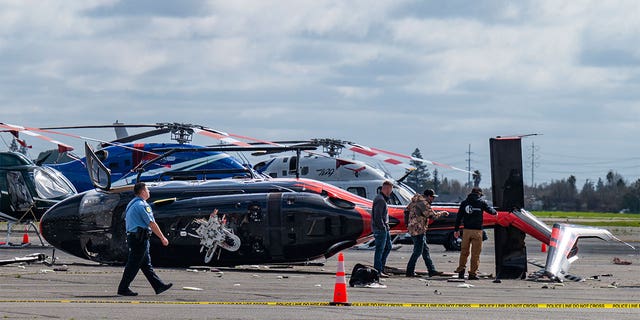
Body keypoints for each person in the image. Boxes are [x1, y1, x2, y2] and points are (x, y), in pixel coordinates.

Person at [117, 182, 173, 296]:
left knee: (146, 264)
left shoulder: (132, 203)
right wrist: (162, 237)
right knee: (133, 264)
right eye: (147, 190)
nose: (149, 192)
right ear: (143, 192)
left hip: (136, 237)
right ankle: (123, 288)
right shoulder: (142, 205)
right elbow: (152, 223)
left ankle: (159, 286)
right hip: (139, 239)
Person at [453, 187, 497, 280]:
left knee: (464, 252)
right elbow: (491, 211)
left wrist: (456, 230)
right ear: (479, 194)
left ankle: (461, 271)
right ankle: (472, 274)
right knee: (475, 254)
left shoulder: (464, 203)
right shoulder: (481, 202)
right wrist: (495, 212)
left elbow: (459, 217)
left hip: (466, 231)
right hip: (477, 231)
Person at [405, 189, 448, 277]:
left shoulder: (415, 201)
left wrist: (408, 224)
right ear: (428, 196)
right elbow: (433, 216)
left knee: (425, 251)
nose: (433, 199)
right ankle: (409, 271)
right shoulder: (423, 203)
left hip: (414, 229)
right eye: (432, 197)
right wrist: (443, 213)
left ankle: (431, 270)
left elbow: (406, 211)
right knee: (417, 251)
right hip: (419, 230)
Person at [372, 180, 393, 277]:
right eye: (391, 189)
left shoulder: (382, 199)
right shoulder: (380, 200)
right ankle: (378, 270)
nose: (391, 191)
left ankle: (381, 268)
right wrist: (383, 227)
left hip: (384, 228)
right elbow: (377, 216)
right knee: (380, 249)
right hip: (381, 229)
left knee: (388, 247)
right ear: (386, 188)